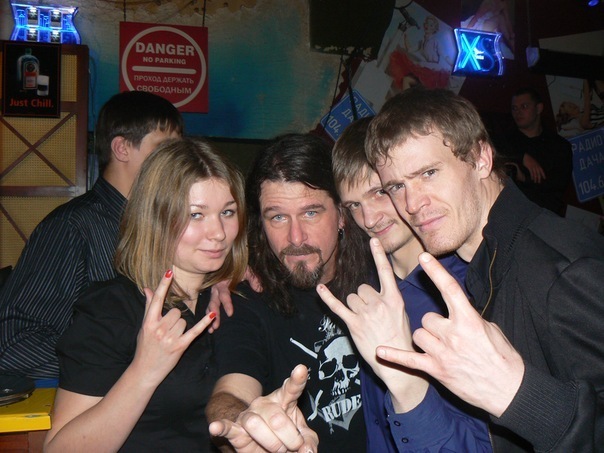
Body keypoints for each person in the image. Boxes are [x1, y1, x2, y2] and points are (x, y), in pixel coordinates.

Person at [350, 87, 603, 451]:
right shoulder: (483, 265)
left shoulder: (561, 269)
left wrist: (516, 393)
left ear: (482, 158)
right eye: (397, 186)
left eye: (429, 173)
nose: (412, 204)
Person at [44, 137, 248, 451]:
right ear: (155, 217)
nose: (219, 233)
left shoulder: (232, 300)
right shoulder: (111, 310)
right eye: (195, 215)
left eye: (228, 212)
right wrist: (144, 371)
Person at [329, 116, 491, 452]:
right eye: (354, 205)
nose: (369, 219)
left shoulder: (468, 293)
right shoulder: (364, 282)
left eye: (379, 193)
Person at [0, 91, 183, 379]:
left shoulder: (157, 225)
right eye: (165, 148)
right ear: (122, 148)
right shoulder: (71, 227)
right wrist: (123, 369)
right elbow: (13, 343)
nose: (178, 161)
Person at [206, 133, 368, 452]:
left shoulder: (382, 275)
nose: (296, 237)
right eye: (278, 217)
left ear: (341, 214)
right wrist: (243, 426)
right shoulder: (247, 300)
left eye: (311, 212)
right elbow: (232, 391)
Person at [500, 87, 573, 216]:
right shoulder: (505, 141)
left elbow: (557, 185)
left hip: (544, 217)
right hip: (509, 215)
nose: (518, 112)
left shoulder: (559, 146)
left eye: (524, 106)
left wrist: (524, 178)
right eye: (514, 108)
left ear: (538, 108)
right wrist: (522, 157)